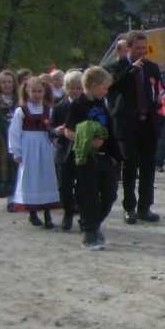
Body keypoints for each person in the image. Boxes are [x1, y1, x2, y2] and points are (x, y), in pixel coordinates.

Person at [107, 30, 163, 225]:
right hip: (127, 124)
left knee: (148, 167)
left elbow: (157, 90)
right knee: (130, 166)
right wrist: (132, 71)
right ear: (128, 49)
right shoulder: (116, 67)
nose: (141, 52)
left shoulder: (152, 67)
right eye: (137, 48)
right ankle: (129, 207)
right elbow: (115, 87)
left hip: (148, 122)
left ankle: (145, 207)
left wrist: (158, 105)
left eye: (143, 48)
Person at [65, 66, 120, 250]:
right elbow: (69, 131)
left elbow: (109, 129)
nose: (106, 91)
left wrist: (114, 154)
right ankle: (89, 233)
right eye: (104, 87)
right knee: (89, 195)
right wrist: (88, 141)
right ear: (94, 85)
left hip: (105, 157)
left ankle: (92, 225)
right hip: (87, 157)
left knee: (110, 194)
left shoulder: (101, 104)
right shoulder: (77, 105)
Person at [8, 76, 60, 228]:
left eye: (39, 91)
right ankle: (32, 212)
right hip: (29, 148)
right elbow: (14, 132)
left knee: (46, 177)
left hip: (44, 146)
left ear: (44, 92)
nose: (36, 94)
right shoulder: (21, 111)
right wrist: (16, 152)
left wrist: (55, 147)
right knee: (31, 178)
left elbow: (53, 130)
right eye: (33, 91)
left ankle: (47, 213)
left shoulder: (48, 110)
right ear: (27, 92)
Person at [49, 70, 83, 231]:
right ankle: (68, 212)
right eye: (71, 88)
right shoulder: (60, 107)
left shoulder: (88, 106)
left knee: (83, 185)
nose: (74, 91)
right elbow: (50, 128)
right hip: (63, 151)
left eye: (78, 88)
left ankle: (83, 215)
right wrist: (57, 131)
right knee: (63, 186)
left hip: (82, 151)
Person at [0, 69, 19, 208]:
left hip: (17, 136)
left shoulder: (20, 99)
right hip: (1, 137)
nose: (7, 85)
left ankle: (14, 198)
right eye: (3, 82)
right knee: (5, 169)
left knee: (17, 166)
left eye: (9, 82)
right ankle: (8, 195)